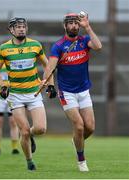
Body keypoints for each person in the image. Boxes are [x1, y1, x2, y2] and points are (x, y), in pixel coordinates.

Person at [0, 17, 56, 171]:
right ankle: (29, 161)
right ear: (11, 30)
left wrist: (51, 85)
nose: (21, 29)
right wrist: (2, 86)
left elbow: (48, 66)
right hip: (15, 95)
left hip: (34, 93)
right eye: (18, 27)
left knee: (40, 129)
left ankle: (31, 135)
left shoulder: (35, 45)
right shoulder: (4, 48)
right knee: (24, 130)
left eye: (23, 27)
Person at [43, 12, 102, 171]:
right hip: (67, 92)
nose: (74, 26)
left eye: (77, 23)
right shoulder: (58, 46)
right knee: (80, 126)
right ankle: (81, 161)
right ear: (65, 26)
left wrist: (88, 27)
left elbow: (98, 46)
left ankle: (77, 139)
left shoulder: (84, 41)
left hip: (84, 91)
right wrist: (50, 86)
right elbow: (49, 68)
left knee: (90, 128)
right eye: (71, 23)